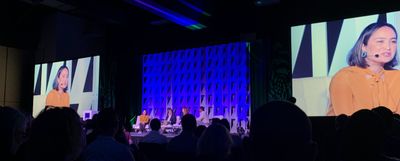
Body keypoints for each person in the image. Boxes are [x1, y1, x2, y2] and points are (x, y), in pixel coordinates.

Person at [328, 22, 400, 116]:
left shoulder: (397, 77)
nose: (388, 47)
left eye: (393, 41)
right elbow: (344, 123)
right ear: (364, 47)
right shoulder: (344, 77)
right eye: (380, 41)